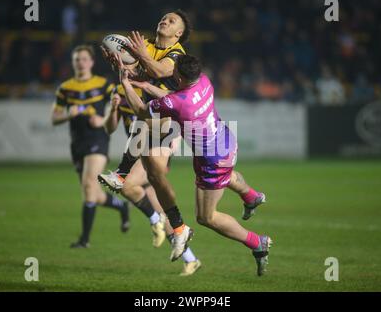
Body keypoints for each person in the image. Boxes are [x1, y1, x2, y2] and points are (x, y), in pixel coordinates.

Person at [113, 53, 271, 276]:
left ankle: (257, 243)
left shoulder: (178, 104)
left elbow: (141, 110)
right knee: (228, 174)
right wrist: (145, 85)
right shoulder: (204, 81)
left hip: (212, 161)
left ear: (177, 75)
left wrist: (125, 84)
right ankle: (251, 196)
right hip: (225, 141)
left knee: (206, 217)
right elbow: (174, 97)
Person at [103, 88, 201, 276]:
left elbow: (176, 109)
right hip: (138, 154)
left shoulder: (151, 86)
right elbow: (109, 128)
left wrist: (177, 138)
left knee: (125, 183)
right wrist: (113, 109)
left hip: (155, 149)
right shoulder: (118, 91)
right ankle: (191, 259)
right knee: (163, 211)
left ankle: (155, 220)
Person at [51, 45, 130, 248]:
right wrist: (70, 113)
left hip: (98, 138)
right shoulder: (65, 88)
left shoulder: (103, 84)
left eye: (84, 59)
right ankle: (121, 206)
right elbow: (54, 117)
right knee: (93, 193)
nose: (81, 62)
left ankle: (84, 240)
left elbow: (117, 105)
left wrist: (103, 119)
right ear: (73, 62)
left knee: (88, 186)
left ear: (92, 62)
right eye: (77, 59)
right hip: (77, 142)